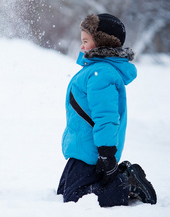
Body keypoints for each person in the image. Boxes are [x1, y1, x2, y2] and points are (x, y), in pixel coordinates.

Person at [57, 13, 156, 207]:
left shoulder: (101, 73)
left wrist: (106, 153)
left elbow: (107, 117)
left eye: (86, 41)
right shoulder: (95, 70)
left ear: (102, 43)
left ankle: (128, 183)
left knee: (77, 199)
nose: (81, 46)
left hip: (92, 151)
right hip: (83, 149)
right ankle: (122, 177)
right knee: (64, 191)